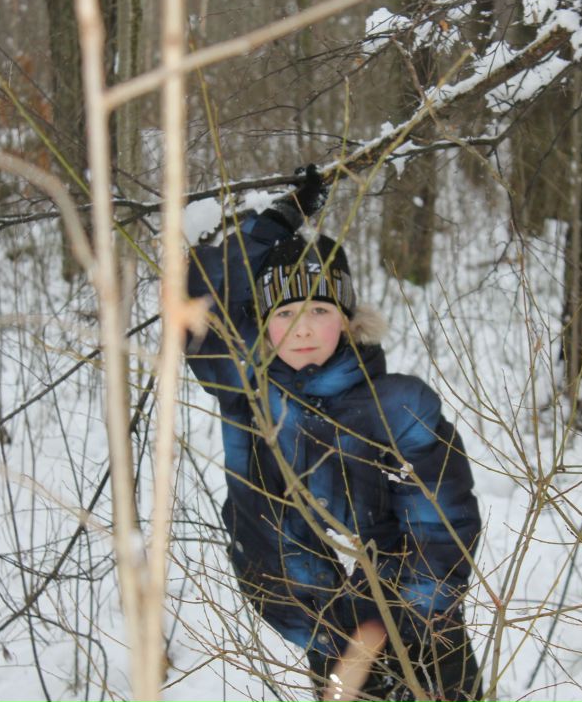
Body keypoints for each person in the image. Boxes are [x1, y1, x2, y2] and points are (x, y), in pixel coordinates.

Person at [186, 166, 483, 701]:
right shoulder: (249, 392)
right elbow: (198, 298)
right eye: (285, 312)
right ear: (262, 324)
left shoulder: (399, 405)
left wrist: (397, 636)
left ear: (348, 320)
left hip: (424, 638)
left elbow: (442, 525)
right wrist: (276, 224)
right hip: (327, 637)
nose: (302, 327)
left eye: (320, 309)